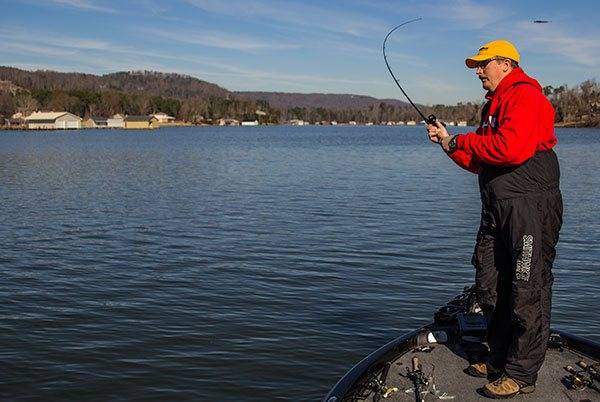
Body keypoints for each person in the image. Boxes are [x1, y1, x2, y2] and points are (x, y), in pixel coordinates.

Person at [427, 39, 563, 399]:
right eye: (476, 65)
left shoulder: (526, 97)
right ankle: (499, 355)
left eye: (483, 64)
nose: (478, 71)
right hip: (498, 207)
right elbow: (481, 160)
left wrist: (462, 140)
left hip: (529, 209)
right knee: (490, 282)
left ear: (505, 63)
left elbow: (511, 148)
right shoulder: (494, 105)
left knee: (527, 287)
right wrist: (449, 144)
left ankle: (521, 374)